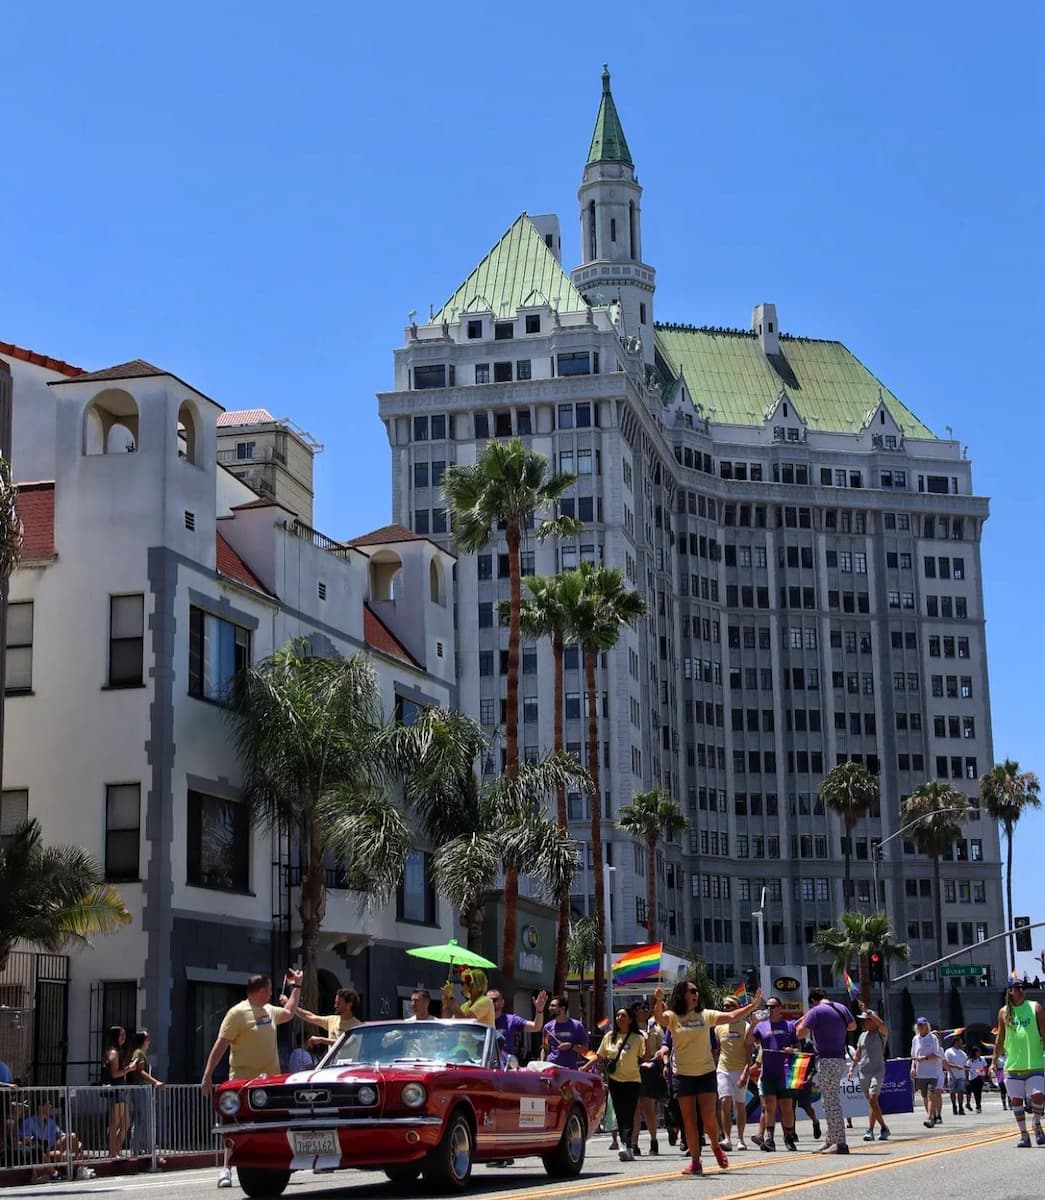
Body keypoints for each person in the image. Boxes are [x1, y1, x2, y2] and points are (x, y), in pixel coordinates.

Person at [202, 968, 302, 1186]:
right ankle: (226, 1170)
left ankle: (276, 1165)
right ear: (262, 990)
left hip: (269, 1083)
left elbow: (290, 1012)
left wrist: (297, 987)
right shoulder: (237, 1013)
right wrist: (207, 1074)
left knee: (272, 1125)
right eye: (268, 990)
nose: (270, 993)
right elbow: (221, 1044)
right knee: (236, 1125)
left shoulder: (269, 1010)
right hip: (242, 1082)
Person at [653, 980, 762, 1176]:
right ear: (682, 994)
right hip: (683, 1075)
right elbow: (659, 1017)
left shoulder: (706, 1015)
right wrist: (659, 1000)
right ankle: (696, 1162)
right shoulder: (674, 1017)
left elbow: (731, 1016)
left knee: (708, 1117)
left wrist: (752, 1006)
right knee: (689, 1121)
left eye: (697, 991)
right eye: (692, 991)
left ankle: (716, 1147)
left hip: (705, 1073)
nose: (696, 993)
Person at [796, 987, 856, 1156]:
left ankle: (840, 1142)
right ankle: (831, 1139)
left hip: (826, 1059)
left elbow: (800, 1033)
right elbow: (852, 1025)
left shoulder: (816, 1011)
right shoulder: (840, 1007)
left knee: (831, 1101)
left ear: (813, 1001)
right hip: (840, 1057)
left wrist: (807, 1019)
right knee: (827, 1100)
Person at [991, 976, 1045, 1148]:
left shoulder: (1035, 1007)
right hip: (1013, 1064)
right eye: (1017, 987)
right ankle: (1023, 1134)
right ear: (1010, 991)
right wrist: (993, 1061)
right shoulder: (1003, 1012)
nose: (1021, 990)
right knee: (1016, 1100)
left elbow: (1044, 1032)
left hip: (1034, 1062)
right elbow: (1000, 1038)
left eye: (1022, 987)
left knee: (1038, 1095)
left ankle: (1036, 1123)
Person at [747, 997, 798, 1152]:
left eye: (773, 1006)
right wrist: (753, 1023)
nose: (770, 1009)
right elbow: (748, 1041)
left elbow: (798, 1048)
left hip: (786, 1070)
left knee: (787, 1106)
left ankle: (789, 1137)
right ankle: (769, 1139)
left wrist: (792, 1050)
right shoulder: (761, 1026)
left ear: (780, 1008)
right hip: (768, 1071)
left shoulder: (789, 1026)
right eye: (767, 1006)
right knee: (769, 1105)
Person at [596, 1006, 646, 1162]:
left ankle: (626, 1144)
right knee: (619, 1112)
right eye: (617, 1015)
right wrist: (585, 1067)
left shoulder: (638, 1038)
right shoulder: (609, 1036)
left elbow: (646, 1055)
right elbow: (599, 1055)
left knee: (629, 1113)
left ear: (630, 1019)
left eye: (623, 1015)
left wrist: (648, 1037)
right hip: (615, 1080)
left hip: (632, 1080)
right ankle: (627, 1145)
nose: (619, 1018)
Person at [19, 1098, 92, 1180]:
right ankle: (70, 1170)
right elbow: (26, 1139)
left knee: (73, 1136)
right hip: (39, 1149)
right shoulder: (28, 1122)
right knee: (57, 1153)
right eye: (47, 1105)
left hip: (52, 1145)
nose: (50, 1107)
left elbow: (60, 1134)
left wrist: (75, 1142)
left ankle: (78, 1168)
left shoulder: (51, 1121)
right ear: (40, 1107)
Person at [716, 996, 751, 1152]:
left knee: (739, 1104)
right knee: (725, 1102)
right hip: (723, 1069)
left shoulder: (746, 1026)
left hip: (740, 1069)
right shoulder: (719, 1028)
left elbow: (750, 1051)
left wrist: (745, 1071)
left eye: (729, 1006)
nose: (726, 1009)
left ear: (737, 1007)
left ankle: (741, 1138)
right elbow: (717, 1049)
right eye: (724, 1006)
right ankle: (727, 1138)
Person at [850, 1009, 890, 1141]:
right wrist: (851, 1068)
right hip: (863, 1072)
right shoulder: (862, 1036)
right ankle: (884, 1127)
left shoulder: (881, 1034)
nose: (863, 1022)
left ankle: (870, 1130)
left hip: (877, 1071)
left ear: (873, 1021)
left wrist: (871, 1014)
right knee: (872, 1103)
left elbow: (882, 1024)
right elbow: (858, 1053)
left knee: (873, 1098)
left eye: (866, 1020)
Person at [126, 1030, 165, 1158]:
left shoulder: (140, 1053)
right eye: (147, 1039)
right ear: (142, 1041)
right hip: (140, 1088)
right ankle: (140, 1149)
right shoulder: (139, 1053)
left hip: (143, 1089)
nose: (149, 1042)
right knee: (141, 1118)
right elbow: (141, 1072)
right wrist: (156, 1082)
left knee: (142, 1119)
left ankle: (140, 1148)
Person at [633, 998, 665, 1155]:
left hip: (650, 1069)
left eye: (646, 1007)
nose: (644, 1010)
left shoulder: (655, 1028)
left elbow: (662, 1047)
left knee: (649, 1108)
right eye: (640, 1007)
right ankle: (634, 1143)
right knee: (635, 1108)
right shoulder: (629, 1029)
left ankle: (654, 1141)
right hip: (633, 1068)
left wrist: (661, 1061)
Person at [488, 987, 547, 1059]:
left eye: (494, 1000)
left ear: (502, 1003)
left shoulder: (512, 1020)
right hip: (483, 1064)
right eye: (488, 1000)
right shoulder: (479, 1020)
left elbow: (536, 1027)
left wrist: (539, 1011)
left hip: (506, 1065)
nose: (491, 1002)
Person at [297, 988, 363, 1051]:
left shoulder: (357, 1026)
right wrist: (292, 1006)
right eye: (335, 1003)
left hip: (349, 1062)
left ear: (349, 1005)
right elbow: (310, 1016)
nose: (335, 1006)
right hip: (333, 1063)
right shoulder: (332, 1020)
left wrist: (321, 1040)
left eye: (338, 1003)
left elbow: (346, 1043)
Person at [102, 1025, 132, 1159]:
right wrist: (129, 1069)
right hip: (116, 1089)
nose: (124, 1037)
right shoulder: (113, 1052)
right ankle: (112, 1152)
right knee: (115, 1122)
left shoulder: (119, 1051)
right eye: (121, 1035)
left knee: (126, 1122)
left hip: (121, 1089)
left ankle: (116, 1149)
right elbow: (115, 1074)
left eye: (124, 1034)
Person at [909, 1016, 943, 1127]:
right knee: (924, 1096)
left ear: (926, 1026)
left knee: (931, 1095)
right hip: (921, 1072)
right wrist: (913, 1068)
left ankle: (929, 1118)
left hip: (932, 1072)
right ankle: (931, 1115)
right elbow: (913, 1056)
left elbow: (937, 1054)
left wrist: (925, 1058)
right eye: (919, 1025)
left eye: (923, 1025)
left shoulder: (933, 1038)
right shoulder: (915, 1039)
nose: (921, 1027)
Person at [541, 995, 589, 1068]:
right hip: (551, 1068)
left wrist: (571, 1046)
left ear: (563, 1009)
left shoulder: (577, 1026)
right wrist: (542, 1063)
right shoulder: (547, 1027)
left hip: (569, 1069)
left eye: (553, 1006)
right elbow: (544, 1048)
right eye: (550, 1006)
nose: (549, 1008)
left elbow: (585, 1049)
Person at [944, 1035, 969, 1115]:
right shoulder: (949, 1051)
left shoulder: (963, 1053)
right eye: (960, 1042)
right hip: (952, 1075)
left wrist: (967, 1068)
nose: (961, 1044)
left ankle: (961, 1107)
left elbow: (964, 1064)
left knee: (961, 1091)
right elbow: (946, 1063)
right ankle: (954, 1106)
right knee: (953, 1092)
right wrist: (956, 1066)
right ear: (956, 1042)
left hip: (961, 1075)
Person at [966, 1046, 988, 1113]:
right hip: (972, 1078)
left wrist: (981, 1073)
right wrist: (977, 1071)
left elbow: (985, 1067)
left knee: (978, 1093)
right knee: (969, 1092)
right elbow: (968, 1069)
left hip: (980, 1078)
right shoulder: (969, 1061)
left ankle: (978, 1106)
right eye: (978, 1052)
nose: (979, 1053)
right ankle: (968, 1103)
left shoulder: (982, 1059)